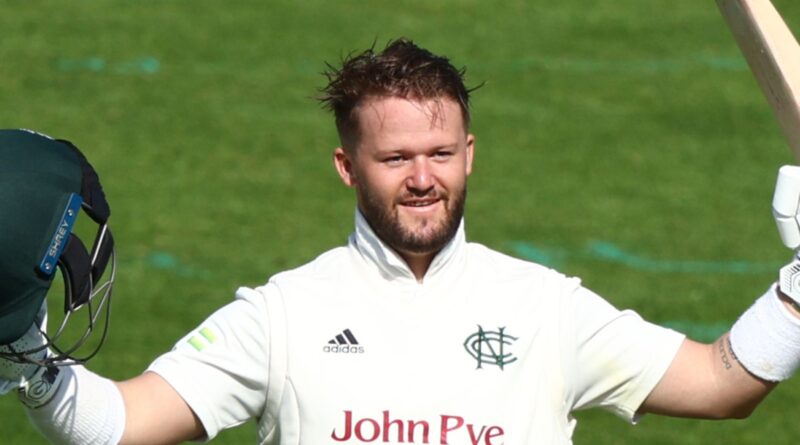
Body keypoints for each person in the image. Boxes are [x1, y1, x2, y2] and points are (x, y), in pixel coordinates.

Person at [2, 38, 800, 445]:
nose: (424, 178)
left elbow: (720, 382)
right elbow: (120, 421)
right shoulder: (283, 314)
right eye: (395, 158)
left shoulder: (547, 308)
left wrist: (798, 287)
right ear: (348, 166)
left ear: (470, 153)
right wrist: (32, 364)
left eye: (441, 153)